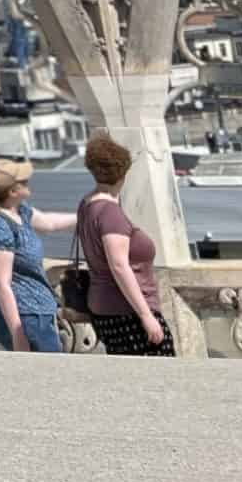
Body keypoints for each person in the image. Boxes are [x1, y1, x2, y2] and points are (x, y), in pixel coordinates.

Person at [75, 133, 175, 356]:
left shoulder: (87, 205)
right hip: (127, 311)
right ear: (123, 173)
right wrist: (146, 316)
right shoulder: (111, 213)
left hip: (103, 308)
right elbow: (119, 266)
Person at [0, 158, 80, 353]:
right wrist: (18, 334)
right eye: (23, 181)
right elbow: (2, 284)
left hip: (39, 311)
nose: (28, 182)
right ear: (13, 191)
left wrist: (84, 214)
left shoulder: (20, 211)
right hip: (26, 316)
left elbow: (49, 223)